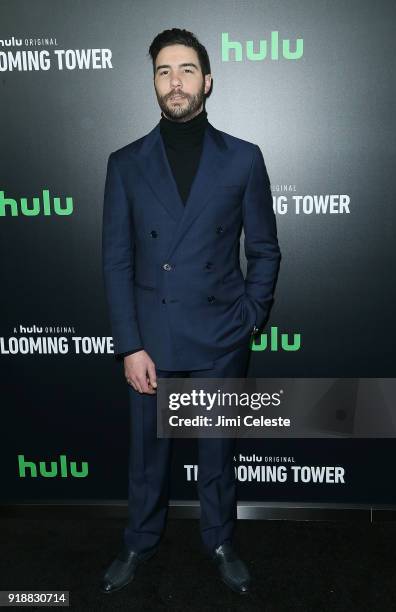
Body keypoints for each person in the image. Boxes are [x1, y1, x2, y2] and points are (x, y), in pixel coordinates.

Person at [100, 27, 281, 596]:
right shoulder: (125, 163)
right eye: (162, 71)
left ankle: (220, 539)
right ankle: (139, 540)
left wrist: (250, 317)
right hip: (152, 338)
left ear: (207, 81)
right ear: (153, 84)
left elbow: (265, 250)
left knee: (217, 455)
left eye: (184, 70)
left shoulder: (244, 159)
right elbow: (116, 262)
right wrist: (130, 344)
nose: (173, 82)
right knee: (146, 458)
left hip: (221, 334)